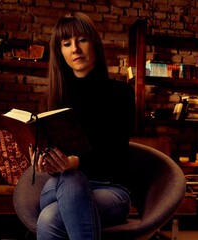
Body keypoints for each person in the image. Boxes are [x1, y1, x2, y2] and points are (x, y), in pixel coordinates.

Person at [29, 12, 135, 240]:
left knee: (49, 218)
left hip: (111, 190)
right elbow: (50, 149)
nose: (75, 49)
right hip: (57, 187)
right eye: (67, 44)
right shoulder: (53, 99)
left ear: (94, 44)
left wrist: (73, 162)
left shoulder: (121, 93)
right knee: (69, 178)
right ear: (61, 53)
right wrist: (41, 158)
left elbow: (116, 152)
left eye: (81, 40)